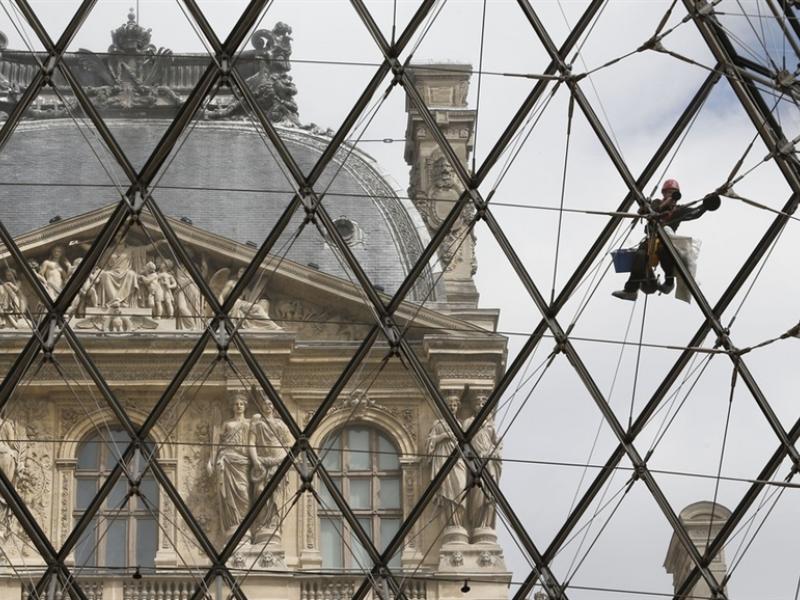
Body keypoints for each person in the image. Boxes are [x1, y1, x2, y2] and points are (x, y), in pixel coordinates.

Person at [612, 179, 720, 301]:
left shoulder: (678, 210)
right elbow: (646, 210)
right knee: (640, 255)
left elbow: (695, 213)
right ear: (663, 193)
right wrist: (649, 206)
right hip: (651, 239)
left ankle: (669, 283)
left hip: (666, 241)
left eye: (673, 193)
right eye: (668, 192)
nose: (671, 195)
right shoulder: (656, 204)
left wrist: (706, 205)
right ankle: (631, 290)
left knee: (665, 250)